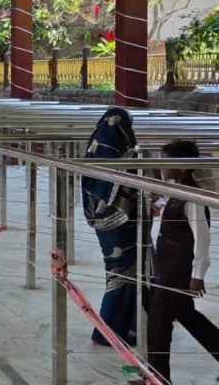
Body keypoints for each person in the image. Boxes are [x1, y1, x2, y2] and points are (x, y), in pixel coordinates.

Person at [147, 139, 219, 382]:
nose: (162, 166)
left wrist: (198, 274)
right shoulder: (177, 189)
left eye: (167, 161)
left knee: (158, 319)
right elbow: (165, 203)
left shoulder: (193, 197)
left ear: (183, 165)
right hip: (168, 264)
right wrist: (157, 205)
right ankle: (156, 375)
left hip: (179, 268)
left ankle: (157, 377)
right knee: (187, 317)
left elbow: (202, 237)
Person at [81, 108, 148, 347]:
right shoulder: (126, 155)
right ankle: (106, 332)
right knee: (121, 273)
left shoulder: (95, 151)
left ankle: (127, 327)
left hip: (105, 223)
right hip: (122, 224)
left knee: (121, 273)